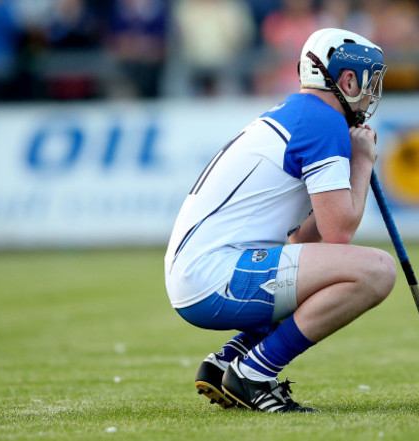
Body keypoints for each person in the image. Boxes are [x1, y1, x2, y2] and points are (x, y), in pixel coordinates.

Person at [164, 28, 395, 413]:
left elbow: (308, 237)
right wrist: (363, 161)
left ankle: (229, 360)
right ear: (347, 79)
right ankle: (254, 373)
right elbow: (340, 232)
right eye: (369, 82)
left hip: (199, 272)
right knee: (378, 271)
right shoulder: (324, 122)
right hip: (213, 277)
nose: (372, 94)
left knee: (328, 266)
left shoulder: (301, 113)